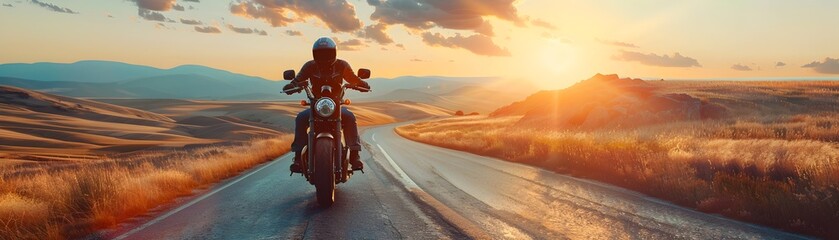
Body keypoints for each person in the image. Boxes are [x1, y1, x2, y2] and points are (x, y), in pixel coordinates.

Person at [283, 37, 370, 173]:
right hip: (315, 106)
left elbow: (353, 78)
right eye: (320, 53)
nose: (324, 56)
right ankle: (298, 158)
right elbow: (298, 79)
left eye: (327, 53)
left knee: (349, 117)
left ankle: (354, 155)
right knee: (300, 118)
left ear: (334, 52)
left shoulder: (342, 65)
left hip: (336, 106)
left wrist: (362, 84)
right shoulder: (309, 66)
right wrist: (291, 85)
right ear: (315, 54)